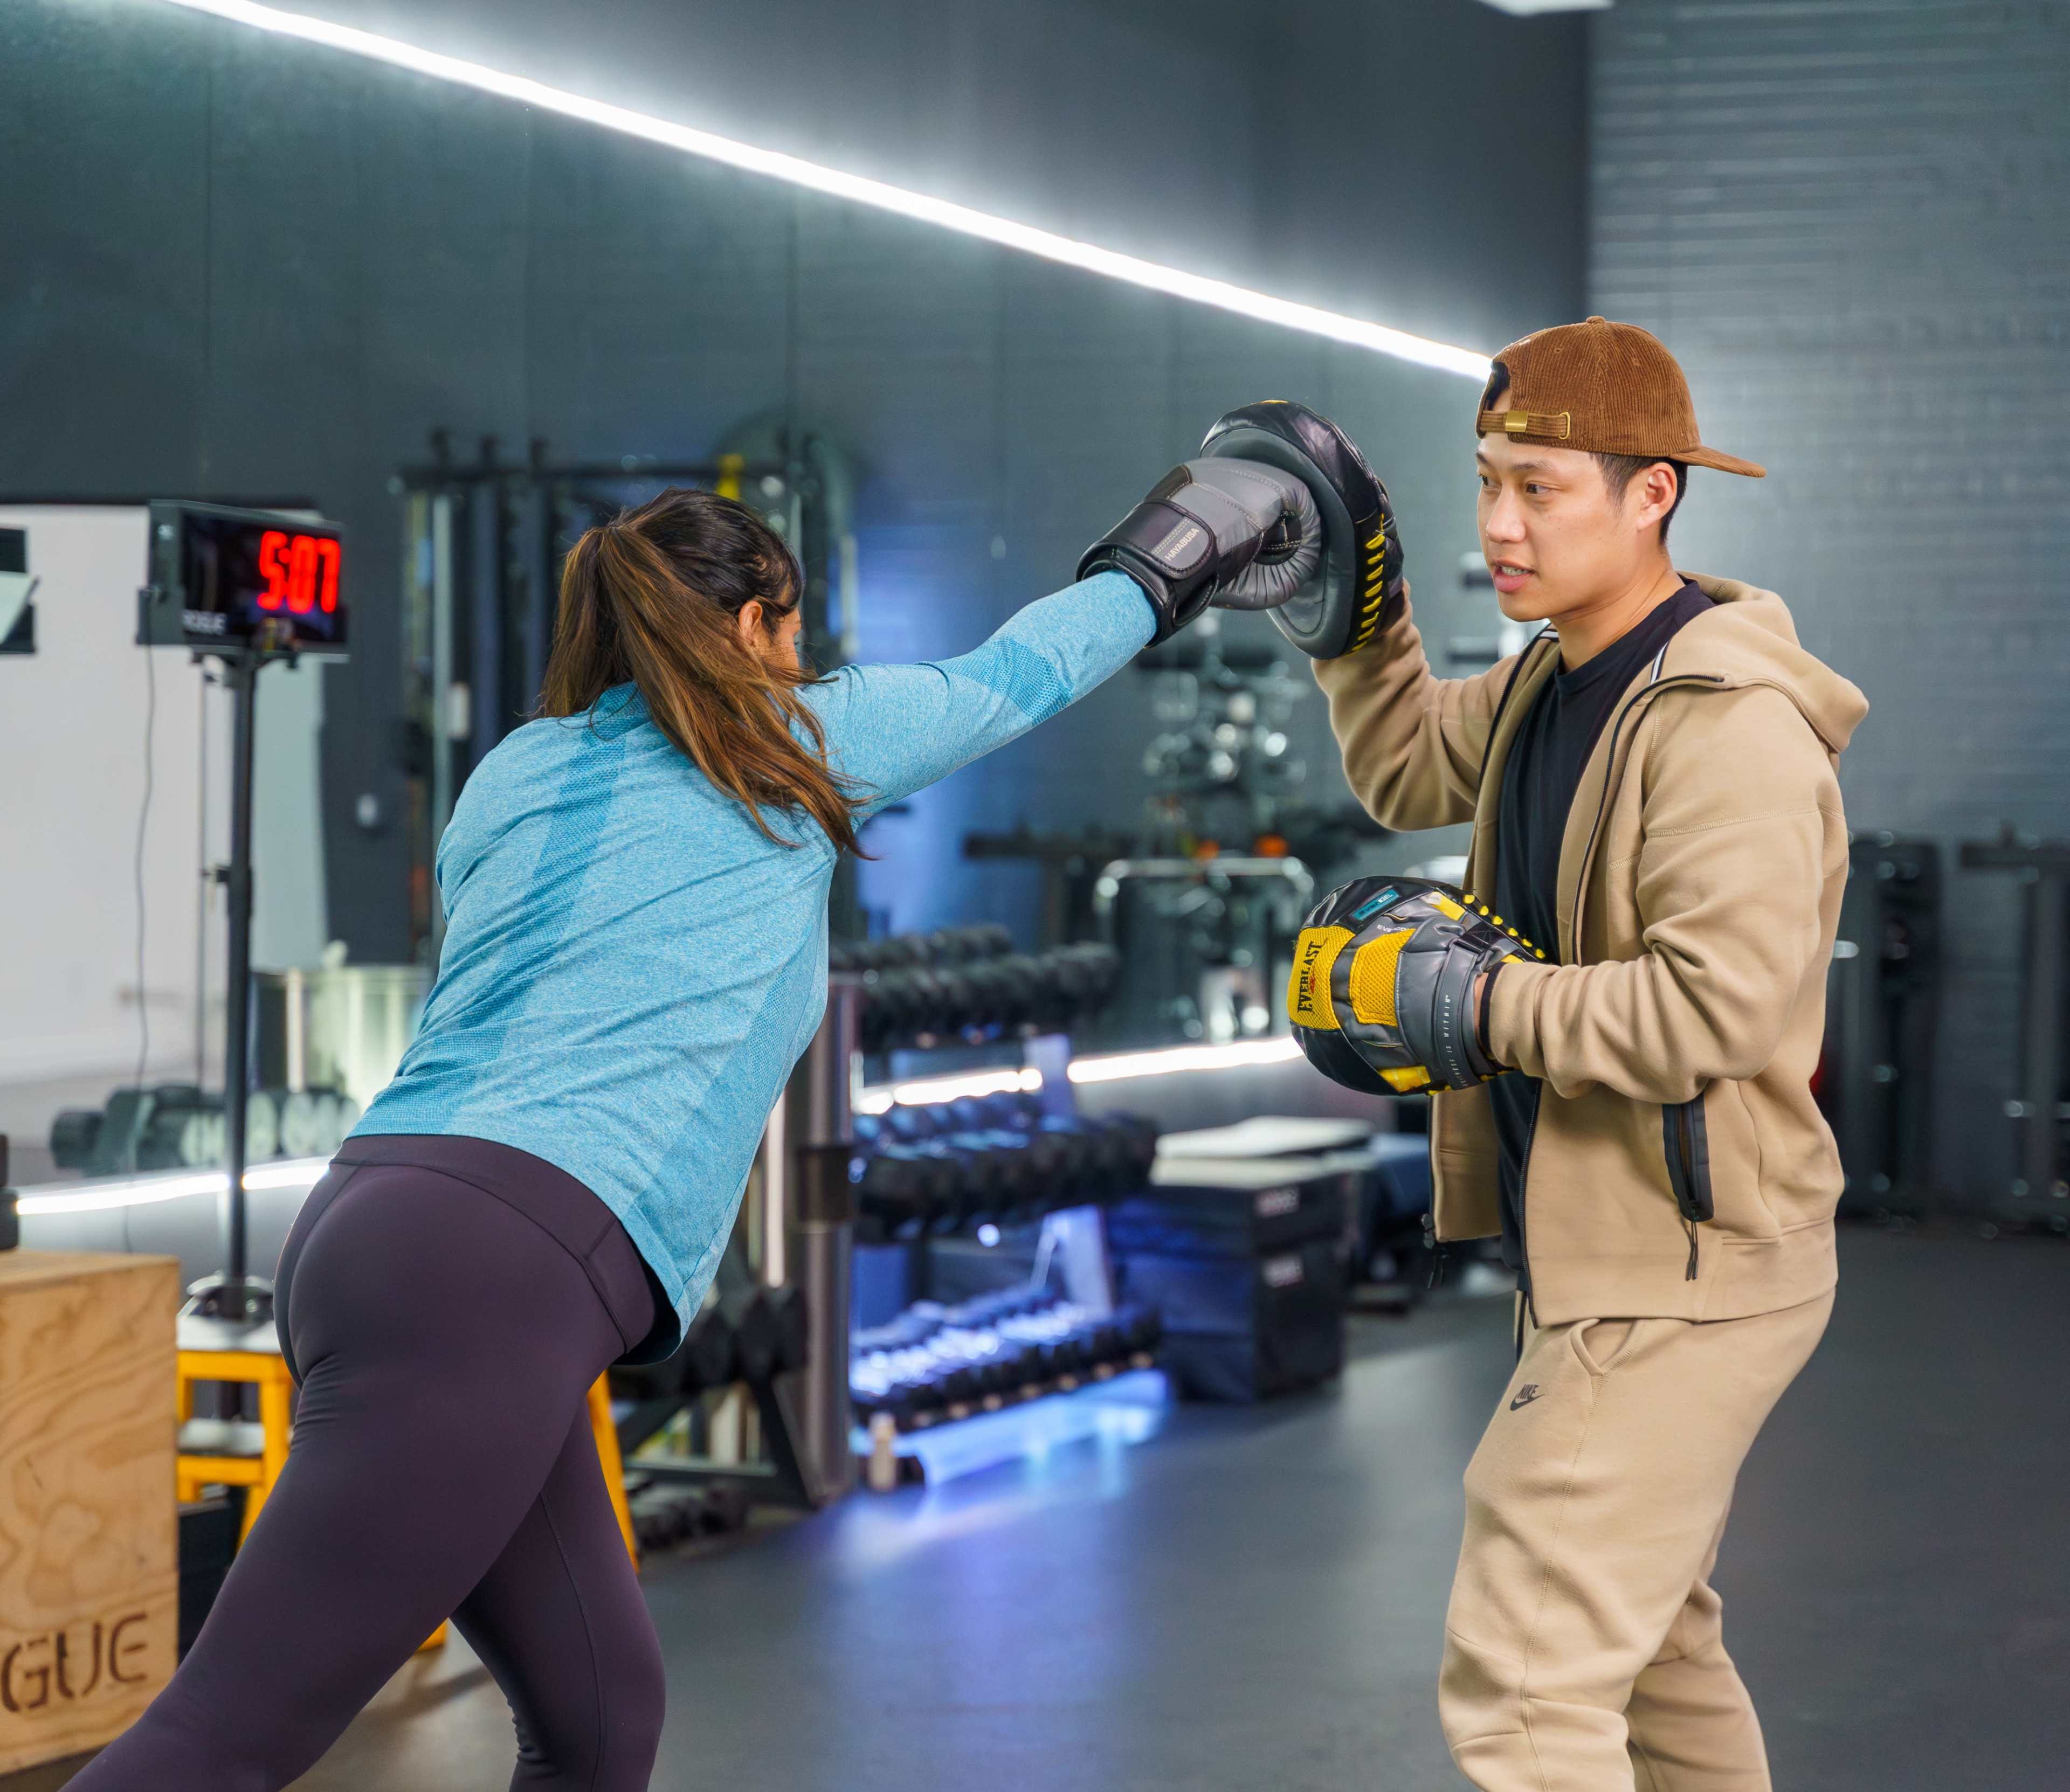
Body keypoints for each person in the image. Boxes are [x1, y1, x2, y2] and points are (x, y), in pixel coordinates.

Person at [75, 459, 1313, 1791]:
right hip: (496, 1274)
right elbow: (1024, 673)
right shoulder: (790, 745)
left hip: (383, 1219)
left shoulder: (518, 768)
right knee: (217, 1744)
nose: (807, 663)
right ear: (751, 629)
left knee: (604, 1717)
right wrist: (1185, 542)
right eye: (795, 634)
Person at [1312, 317, 1868, 1789]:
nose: (1499, 521)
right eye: (1489, 480)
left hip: (1686, 1268)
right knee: (1652, 1660)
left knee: (1525, 1683)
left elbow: (1715, 1008)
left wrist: (1473, 1003)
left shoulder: (1728, 724)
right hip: (1602, 1248)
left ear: (1652, 492)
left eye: (1542, 487)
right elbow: (1403, 762)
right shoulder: (1554, 679)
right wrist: (1352, 613)